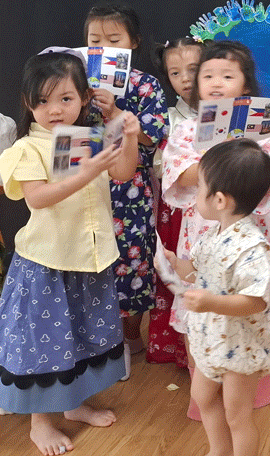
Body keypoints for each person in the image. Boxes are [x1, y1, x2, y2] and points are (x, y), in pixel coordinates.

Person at [0, 52, 140, 456]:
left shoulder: (90, 137)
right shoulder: (27, 148)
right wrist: (86, 172)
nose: (54, 110)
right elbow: (39, 198)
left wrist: (129, 136)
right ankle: (40, 423)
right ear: (28, 104)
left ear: (84, 98)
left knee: (82, 336)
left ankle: (74, 403)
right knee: (44, 345)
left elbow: (123, 172)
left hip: (89, 258)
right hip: (47, 263)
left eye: (65, 98)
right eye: (42, 101)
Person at [161, 41, 270, 416]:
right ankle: (204, 396)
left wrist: (236, 158)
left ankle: (249, 394)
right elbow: (177, 173)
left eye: (227, 76)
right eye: (208, 75)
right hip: (200, 234)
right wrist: (228, 159)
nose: (216, 83)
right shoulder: (187, 128)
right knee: (199, 312)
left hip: (247, 235)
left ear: (245, 85)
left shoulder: (260, 129)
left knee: (247, 308)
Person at [165, 139, 270, 456]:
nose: (195, 195)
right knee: (202, 396)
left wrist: (211, 303)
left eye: (199, 188)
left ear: (219, 200)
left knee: (237, 415)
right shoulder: (213, 233)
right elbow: (198, 271)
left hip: (240, 346)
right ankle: (219, 450)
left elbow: (255, 301)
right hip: (211, 339)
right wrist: (176, 264)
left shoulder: (252, 246)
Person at [83, 3, 169, 372]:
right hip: (86, 185)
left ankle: (132, 334)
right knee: (89, 261)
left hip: (132, 190)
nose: (103, 46)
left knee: (134, 260)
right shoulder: (76, 82)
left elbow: (155, 134)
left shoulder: (145, 84)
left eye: (114, 39)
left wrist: (117, 113)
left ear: (133, 42)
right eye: (95, 40)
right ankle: (96, 339)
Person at [147, 36, 203, 366]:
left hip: (221, 206)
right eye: (175, 73)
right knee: (180, 273)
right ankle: (184, 350)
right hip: (179, 209)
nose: (185, 79)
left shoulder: (231, 111)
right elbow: (159, 165)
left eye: (194, 69)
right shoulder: (167, 117)